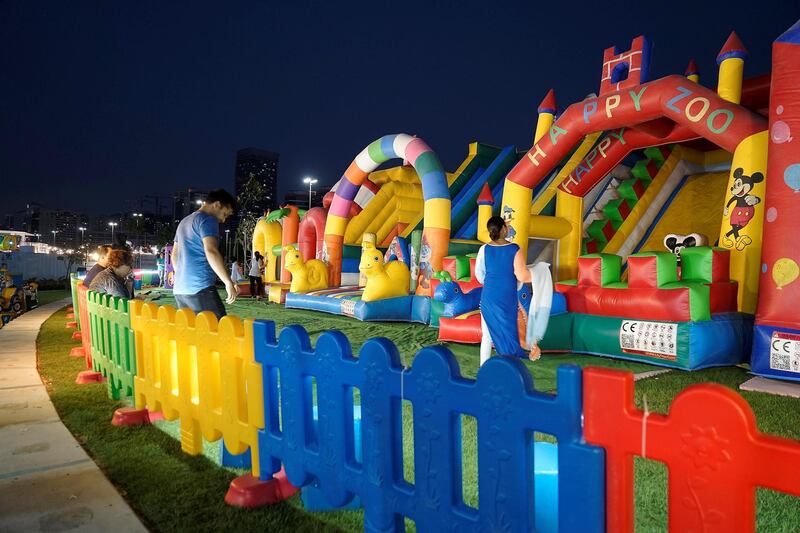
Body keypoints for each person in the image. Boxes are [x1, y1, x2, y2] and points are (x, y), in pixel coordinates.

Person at [474, 216, 537, 366]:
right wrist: (539, 275)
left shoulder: (484, 249)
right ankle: (511, 367)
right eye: (506, 226)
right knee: (509, 332)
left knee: (487, 335)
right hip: (506, 297)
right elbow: (521, 275)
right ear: (503, 229)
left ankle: (484, 369)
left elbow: (479, 274)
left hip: (488, 297)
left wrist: (491, 284)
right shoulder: (514, 248)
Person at [171, 189, 238, 319]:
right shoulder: (208, 219)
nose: (223, 220)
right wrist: (228, 282)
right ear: (217, 205)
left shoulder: (184, 221)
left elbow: (174, 255)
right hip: (201, 288)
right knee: (219, 331)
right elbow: (211, 251)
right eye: (225, 214)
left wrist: (183, 276)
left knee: (195, 334)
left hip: (180, 290)